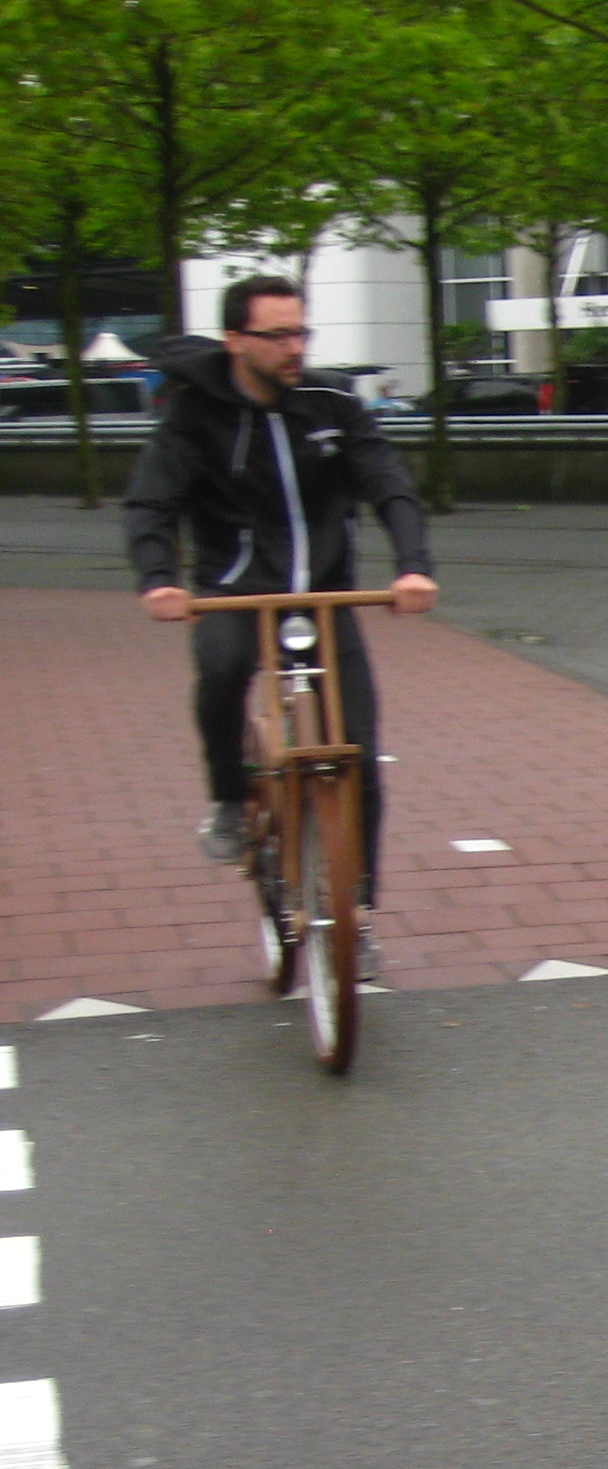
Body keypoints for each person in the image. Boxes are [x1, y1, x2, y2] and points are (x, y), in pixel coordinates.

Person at [125, 277, 436, 968]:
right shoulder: (193, 416)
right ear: (236, 340)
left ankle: (359, 912)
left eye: (301, 332)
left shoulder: (332, 403)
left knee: (359, 748)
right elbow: (152, 503)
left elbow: (388, 480)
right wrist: (158, 580)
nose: (294, 348)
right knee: (223, 670)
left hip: (323, 599)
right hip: (235, 593)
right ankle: (231, 801)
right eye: (276, 336)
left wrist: (412, 563)